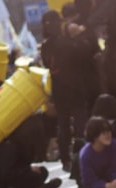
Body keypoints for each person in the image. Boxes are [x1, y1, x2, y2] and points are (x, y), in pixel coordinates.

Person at [40, 9, 96, 172]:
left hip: (58, 90)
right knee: (79, 122)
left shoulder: (45, 47)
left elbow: (45, 64)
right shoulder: (65, 43)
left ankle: (65, 158)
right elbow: (84, 52)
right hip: (75, 87)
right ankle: (81, 154)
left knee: (63, 124)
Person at [0, 115, 63, 188]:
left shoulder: (23, 143)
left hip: (16, 176)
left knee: (42, 171)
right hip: (2, 186)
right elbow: (7, 174)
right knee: (35, 176)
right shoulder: (9, 145)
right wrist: (28, 170)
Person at [78, 116, 116, 188]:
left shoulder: (113, 144)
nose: (108, 134)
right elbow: (88, 182)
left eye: (109, 130)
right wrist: (106, 185)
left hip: (104, 176)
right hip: (83, 174)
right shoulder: (85, 155)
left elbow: (114, 167)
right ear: (94, 135)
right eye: (103, 132)